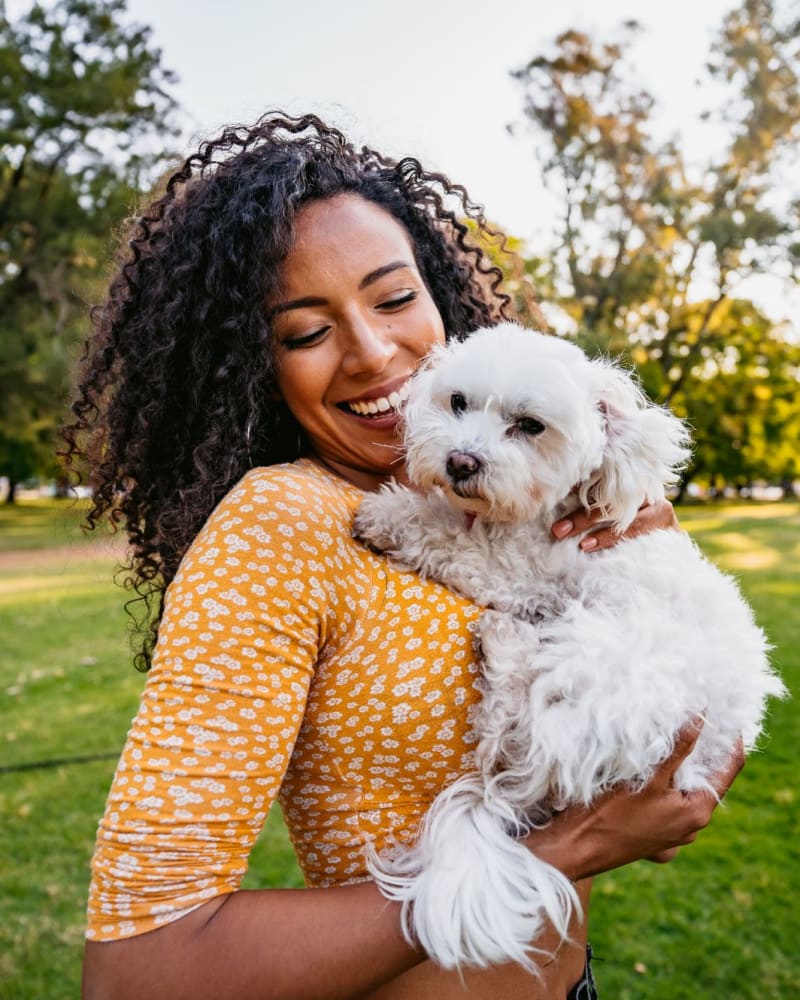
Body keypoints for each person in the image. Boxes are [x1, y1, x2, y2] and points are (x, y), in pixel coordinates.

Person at [65, 111, 743, 1000]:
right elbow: (138, 968)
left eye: (394, 299)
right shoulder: (281, 524)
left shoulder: (527, 499)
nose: (377, 354)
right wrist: (569, 849)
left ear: (441, 297)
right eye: (306, 332)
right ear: (247, 363)